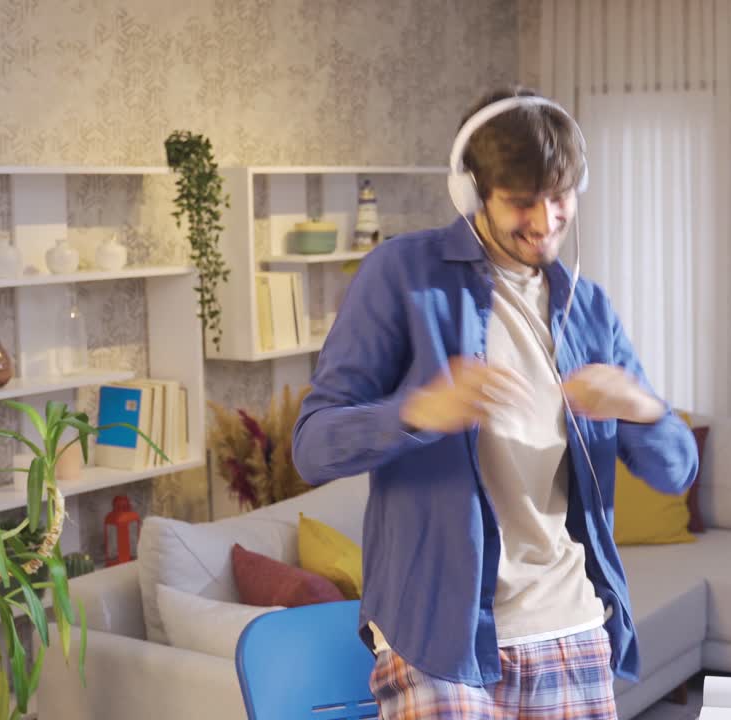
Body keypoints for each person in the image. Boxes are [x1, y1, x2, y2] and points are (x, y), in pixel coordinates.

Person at [292, 86, 698, 720]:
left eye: (559, 197)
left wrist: (642, 406)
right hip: (437, 635)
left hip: (569, 623)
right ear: (471, 192)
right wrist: (415, 413)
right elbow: (312, 447)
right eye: (520, 202)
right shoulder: (402, 277)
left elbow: (675, 473)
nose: (544, 221)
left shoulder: (587, 310)